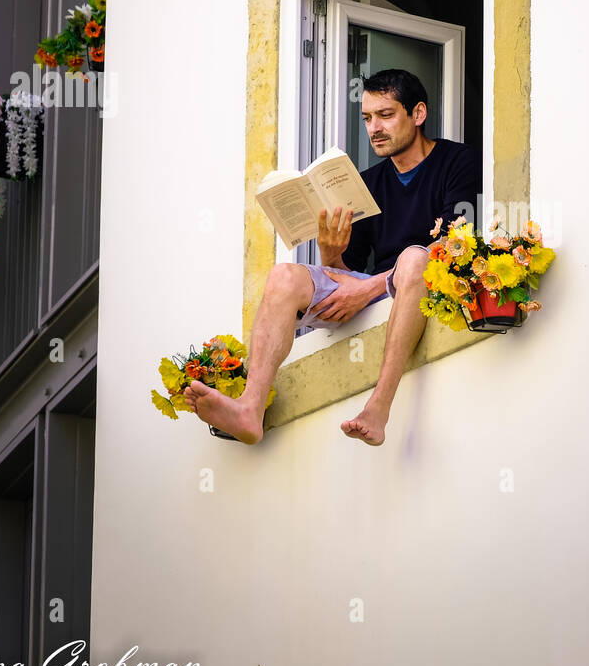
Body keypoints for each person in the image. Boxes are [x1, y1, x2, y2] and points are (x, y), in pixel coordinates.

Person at [184, 68, 481, 446]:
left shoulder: (459, 161)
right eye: (368, 118)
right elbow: (346, 275)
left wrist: (370, 286)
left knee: (414, 258)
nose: (374, 128)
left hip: (419, 277)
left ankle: (378, 408)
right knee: (283, 276)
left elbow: (456, 244)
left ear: (418, 114)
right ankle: (249, 408)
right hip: (377, 288)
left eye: (386, 115)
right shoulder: (367, 183)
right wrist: (330, 250)